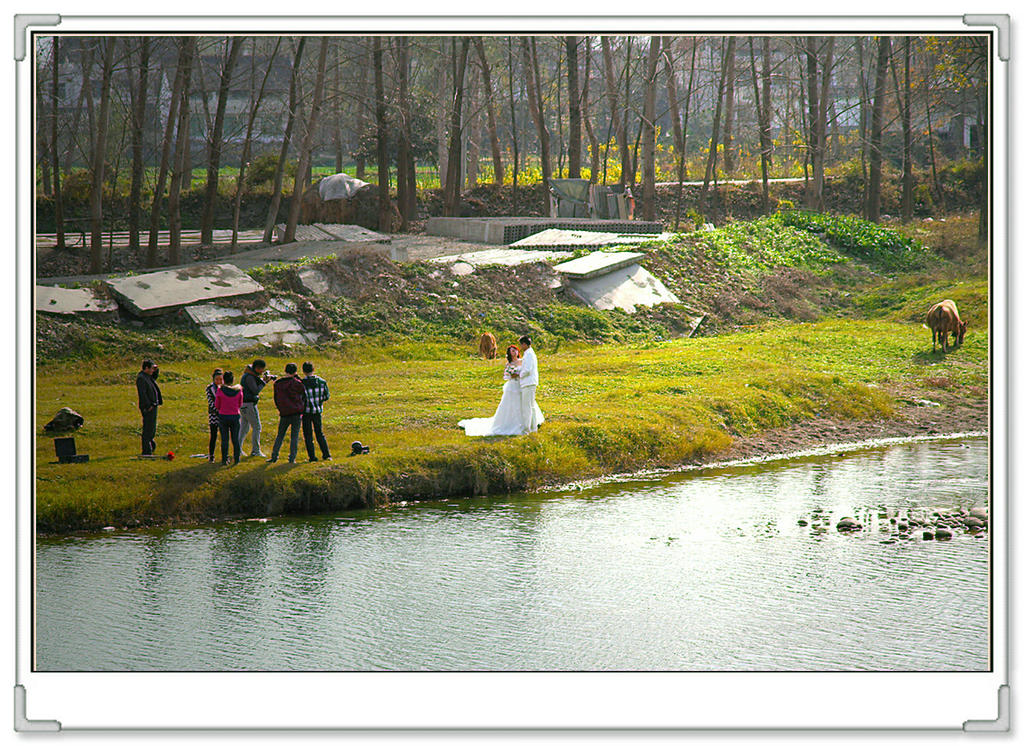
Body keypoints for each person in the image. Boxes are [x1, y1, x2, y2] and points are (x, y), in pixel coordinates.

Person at [458, 345, 544, 437]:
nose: (514, 352)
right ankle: (513, 424)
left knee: (527, 404)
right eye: (512, 351)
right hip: (513, 386)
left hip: (522, 385)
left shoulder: (522, 361)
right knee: (512, 405)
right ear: (509, 354)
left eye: (515, 350)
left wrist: (519, 375)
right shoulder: (509, 364)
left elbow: (526, 370)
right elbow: (506, 376)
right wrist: (512, 375)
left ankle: (530, 423)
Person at [267, 363, 306, 464]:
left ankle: (274, 456)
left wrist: (280, 409)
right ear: (295, 372)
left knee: (280, 435)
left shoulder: (278, 384)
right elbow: (303, 393)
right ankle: (292, 458)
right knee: (294, 436)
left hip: (284, 412)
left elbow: (276, 398)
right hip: (296, 412)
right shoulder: (297, 383)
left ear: (285, 371)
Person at [239, 359, 274, 458]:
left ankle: (238, 449)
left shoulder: (248, 375)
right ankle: (255, 451)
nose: (262, 372)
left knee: (244, 428)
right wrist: (264, 382)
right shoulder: (250, 377)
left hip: (243, 404)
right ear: (257, 368)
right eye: (261, 370)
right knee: (257, 427)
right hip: (249, 405)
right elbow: (255, 391)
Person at [301, 361, 332, 462]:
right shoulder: (322, 382)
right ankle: (326, 455)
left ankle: (312, 457)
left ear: (303, 371)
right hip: (317, 410)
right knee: (320, 433)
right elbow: (326, 396)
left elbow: (300, 398)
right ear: (313, 369)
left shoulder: (301, 383)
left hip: (306, 411)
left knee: (308, 435)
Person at [214, 371, 244, 465]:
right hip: (235, 416)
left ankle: (224, 459)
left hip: (223, 416)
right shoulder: (239, 390)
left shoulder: (220, 390)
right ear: (233, 380)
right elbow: (240, 404)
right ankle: (237, 459)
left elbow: (217, 405)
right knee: (235, 439)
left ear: (224, 380)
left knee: (225, 439)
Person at [135, 359, 162, 455]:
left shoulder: (148, 376)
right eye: (151, 368)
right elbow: (142, 394)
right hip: (148, 407)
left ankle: (151, 446)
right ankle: (146, 450)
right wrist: (148, 405)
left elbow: (155, 376)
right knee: (148, 429)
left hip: (153, 405)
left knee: (152, 428)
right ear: (146, 368)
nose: (152, 371)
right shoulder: (141, 378)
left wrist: (156, 369)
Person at [516, 335, 540, 434]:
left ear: (524, 344)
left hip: (528, 383)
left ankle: (527, 429)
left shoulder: (529, 354)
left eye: (521, 345)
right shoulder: (529, 353)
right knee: (531, 406)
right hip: (530, 383)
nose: (520, 347)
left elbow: (528, 370)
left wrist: (519, 375)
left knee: (527, 407)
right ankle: (533, 428)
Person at [204, 369, 224, 463]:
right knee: (213, 435)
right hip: (214, 415)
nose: (219, 381)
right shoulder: (209, 388)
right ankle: (211, 455)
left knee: (224, 436)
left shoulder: (225, 388)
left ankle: (225, 455)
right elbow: (211, 402)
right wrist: (218, 411)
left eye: (221, 379)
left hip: (224, 415)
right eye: (217, 379)